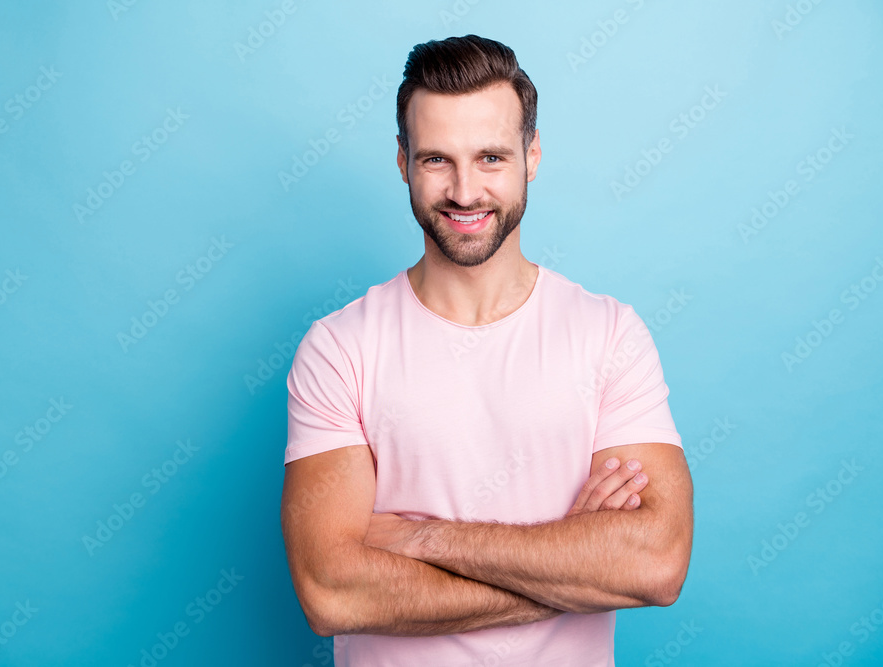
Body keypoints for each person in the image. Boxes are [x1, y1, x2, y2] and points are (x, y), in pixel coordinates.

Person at [280, 34, 693, 666]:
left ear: (532, 157)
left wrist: (422, 538)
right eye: (437, 160)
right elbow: (332, 593)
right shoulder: (339, 349)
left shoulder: (609, 335)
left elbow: (657, 563)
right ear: (402, 162)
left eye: (492, 158)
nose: (466, 192)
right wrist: (579, 569)